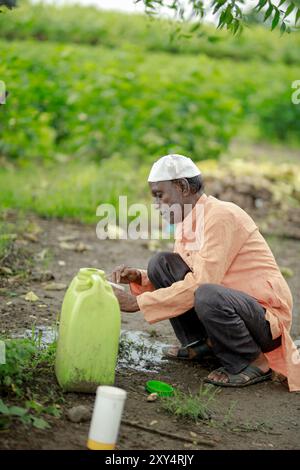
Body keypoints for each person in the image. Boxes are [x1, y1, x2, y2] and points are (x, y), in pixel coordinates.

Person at [111, 154, 300, 391]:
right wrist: (140, 278)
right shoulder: (187, 222)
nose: (157, 205)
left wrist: (137, 302)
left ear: (182, 187)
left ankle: (253, 360)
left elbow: (201, 283)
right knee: (162, 263)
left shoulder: (221, 216)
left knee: (206, 293)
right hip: (232, 304)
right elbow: (192, 272)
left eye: (160, 195)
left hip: (264, 316)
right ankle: (204, 344)